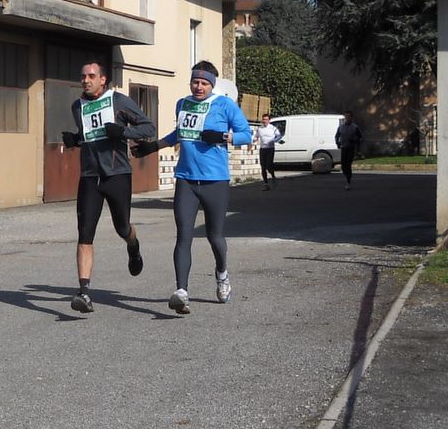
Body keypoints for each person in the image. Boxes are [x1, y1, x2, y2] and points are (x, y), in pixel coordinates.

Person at [132, 61, 252, 314]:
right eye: (195, 82)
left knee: (214, 236)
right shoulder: (182, 104)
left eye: (204, 83)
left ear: (212, 85)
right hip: (186, 179)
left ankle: (222, 274)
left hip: (215, 181)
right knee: (183, 235)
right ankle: (181, 291)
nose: (199, 87)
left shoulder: (224, 105)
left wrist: (223, 137)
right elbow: (180, 133)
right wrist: (154, 146)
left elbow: (246, 135)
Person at [60, 61, 156, 313]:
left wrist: (122, 132)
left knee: (122, 228)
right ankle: (84, 292)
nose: (86, 80)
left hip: (117, 175)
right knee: (84, 234)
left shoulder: (118, 101)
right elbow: (89, 135)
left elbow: (149, 127)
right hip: (90, 177)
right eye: (83, 76)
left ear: (103, 79)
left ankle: (133, 247)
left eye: (91, 76)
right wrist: (75, 139)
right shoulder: (77, 106)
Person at [335, 111, 363, 190]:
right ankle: (347, 174)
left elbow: (361, 138)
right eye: (346, 116)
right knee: (343, 165)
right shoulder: (341, 127)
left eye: (349, 116)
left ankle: (348, 182)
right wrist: (337, 143)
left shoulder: (355, 127)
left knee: (348, 164)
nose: (347, 118)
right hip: (343, 148)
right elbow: (337, 136)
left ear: (351, 118)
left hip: (351, 148)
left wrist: (355, 140)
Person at [253, 113, 282, 190]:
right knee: (263, 167)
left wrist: (274, 141)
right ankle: (266, 184)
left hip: (270, 148)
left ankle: (273, 176)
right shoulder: (259, 128)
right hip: (263, 149)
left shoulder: (273, 128)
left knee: (269, 165)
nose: (264, 121)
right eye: (263, 119)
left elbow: (279, 136)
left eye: (266, 119)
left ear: (269, 120)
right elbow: (256, 136)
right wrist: (254, 140)